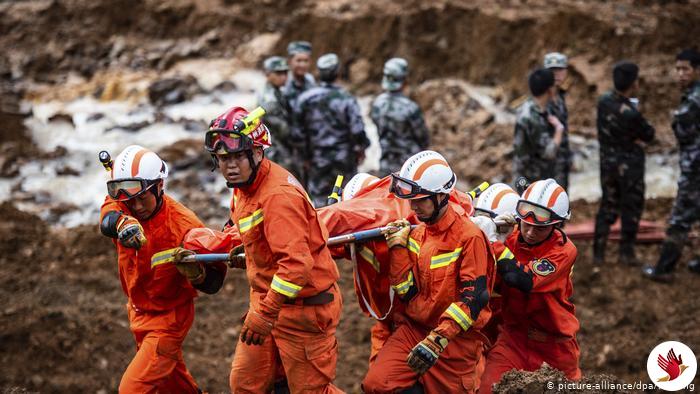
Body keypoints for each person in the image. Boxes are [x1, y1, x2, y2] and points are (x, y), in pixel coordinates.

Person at [204, 106, 343, 393]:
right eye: (222, 159)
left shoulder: (279, 196)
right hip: (269, 303)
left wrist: (265, 313)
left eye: (235, 157)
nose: (228, 166)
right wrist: (249, 252)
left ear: (257, 152)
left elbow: (295, 267)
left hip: (303, 311)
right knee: (246, 385)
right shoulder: (242, 187)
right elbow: (255, 231)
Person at [362, 150, 495, 393]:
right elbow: (406, 291)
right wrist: (398, 248)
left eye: (420, 199)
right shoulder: (418, 230)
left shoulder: (469, 237)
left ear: (442, 197)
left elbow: (473, 300)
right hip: (414, 329)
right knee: (377, 385)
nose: (413, 206)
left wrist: (438, 339)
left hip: (454, 340)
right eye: (410, 199)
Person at [99, 145, 225, 393]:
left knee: (132, 389)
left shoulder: (185, 227)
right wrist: (121, 223)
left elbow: (215, 283)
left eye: (141, 198)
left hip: (169, 319)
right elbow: (107, 217)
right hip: (138, 309)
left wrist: (198, 274)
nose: (135, 207)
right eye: (128, 201)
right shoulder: (125, 201)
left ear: (159, 186)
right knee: (173, 384)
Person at [479, 179, 580, 393]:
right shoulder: (512, 238)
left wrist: (493, 242)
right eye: (527, 224)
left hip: (555, 347)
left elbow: (522, 280)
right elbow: (492, 278)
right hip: (513, 340)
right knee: (488, 389)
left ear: (555, 225)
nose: (531, 232)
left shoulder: (563, 250)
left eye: (540, 228)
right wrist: (496, 236)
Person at [643, 49, 700, 281]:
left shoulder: (694, 100)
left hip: (695, 169)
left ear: (697, 70)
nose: (680, 74)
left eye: (685, 69)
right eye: (677, 69)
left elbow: (682, 131)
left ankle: (663, 269)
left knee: (679, 220)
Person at [592, 62, 655, 266]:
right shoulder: (632, 113)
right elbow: (649, 134)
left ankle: (598, 253)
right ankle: (626, 254)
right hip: (630, 169)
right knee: (631, 208)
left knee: (607, 207)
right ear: (633, 83)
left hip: (607, 165)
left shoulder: (603, 102)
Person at [293, 53, 370, 207]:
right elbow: (357, 129)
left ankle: (323, 229)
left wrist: (305, 157)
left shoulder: (305, 99)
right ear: (337, 72)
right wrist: (361, 148)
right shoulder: (346, 98)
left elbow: (297, 134)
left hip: (317, 160)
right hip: (344, 160)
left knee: (320, 202)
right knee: (348, 198)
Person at [370, 57, 430, 176]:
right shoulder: (410, 108)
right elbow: (423, 139)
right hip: (409, 168)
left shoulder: (377, 104)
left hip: (385, 165)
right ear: (404, 80)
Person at [512, 68, 565, 185]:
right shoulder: (531, 118)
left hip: (533, 177)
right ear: (550, 90)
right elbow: (549, 153)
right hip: (530, 182)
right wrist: (559, 131)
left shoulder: (534, 107)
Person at [257, 56, 302, 180]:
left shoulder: (277, 91)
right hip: (276, 152)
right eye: (278, 73)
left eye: (285, 72)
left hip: (280, 149)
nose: (283, 77)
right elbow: (284, 130)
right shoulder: (269, 99)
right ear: (268, 74)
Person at [544, 52, 572, 191]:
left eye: (559, 69)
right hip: (545, 165)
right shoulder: (541, 99)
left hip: (562, 163)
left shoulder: (560, 96)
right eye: (552, 70)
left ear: (565, 71)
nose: (556, 74)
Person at [284, 41, 316, 109]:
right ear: (290, 61)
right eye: (298, 60)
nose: (303, 65)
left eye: (306, 61)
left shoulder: (310, 79)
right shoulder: (284, 81)